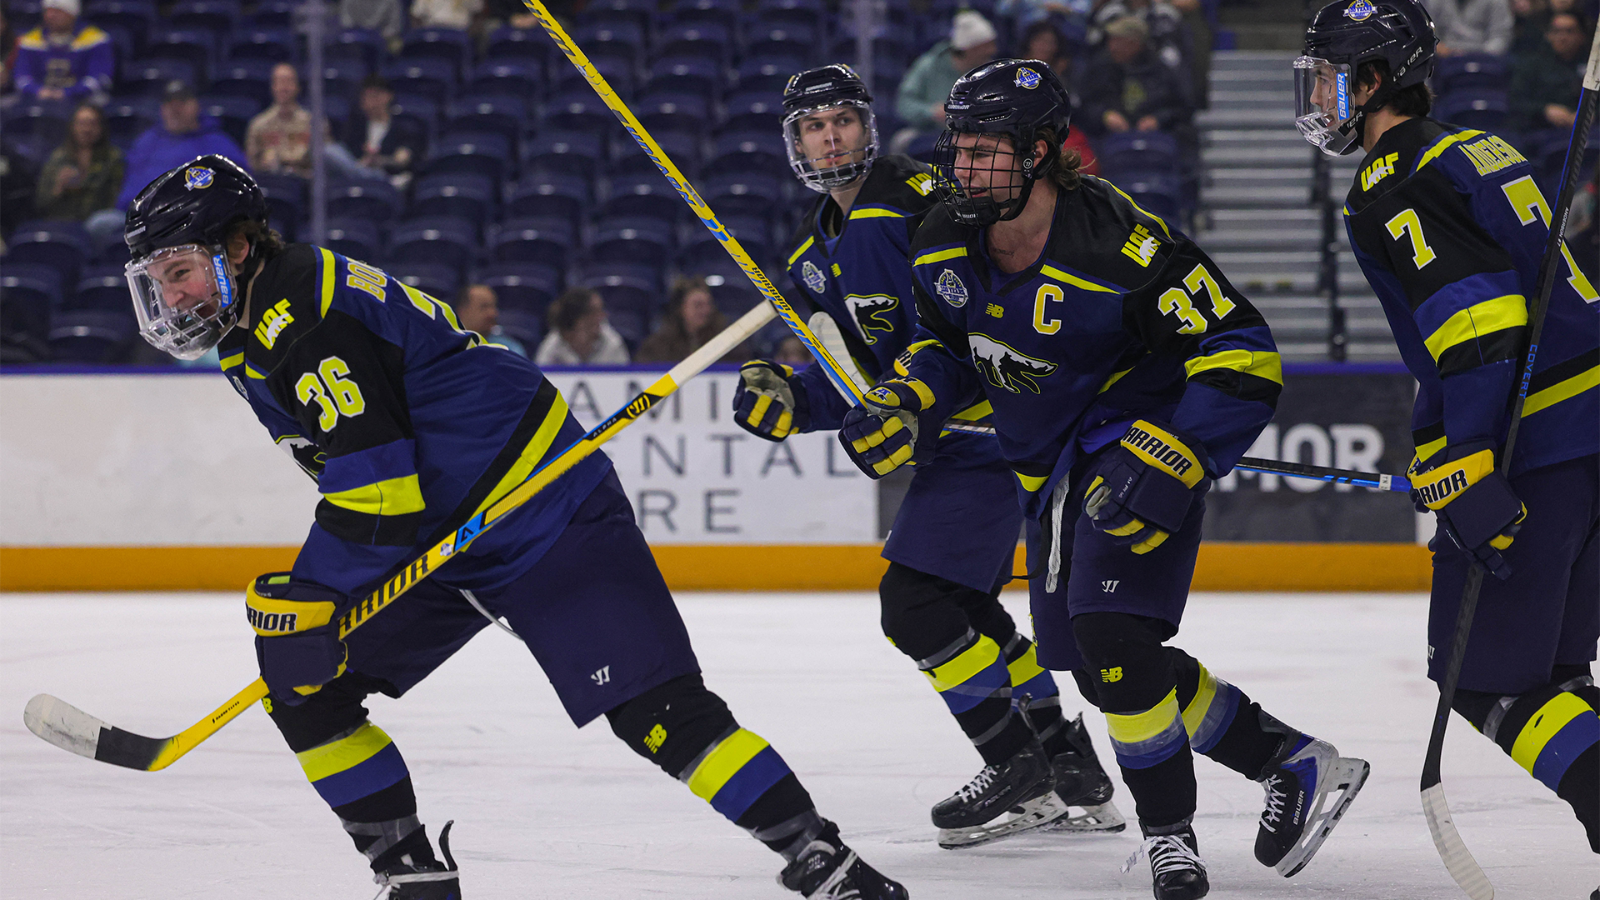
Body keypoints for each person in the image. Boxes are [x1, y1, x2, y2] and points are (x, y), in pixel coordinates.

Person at [119, 154, 908, 900]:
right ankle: (412, 876)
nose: (175, 296)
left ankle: (823, 861)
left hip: (540, 504)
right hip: (442, 533)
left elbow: (379, 486)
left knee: (657, 712)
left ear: (240, 245)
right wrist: (315, 596)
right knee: (307, 692)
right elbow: (371, 483)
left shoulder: (302, 314)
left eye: (181, 272)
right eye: (161, 280)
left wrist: (315, 587)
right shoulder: (246, 329)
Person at [842, 59, 1370, 899]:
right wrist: (905, 397)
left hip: (1134, 450)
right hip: (1049, 473)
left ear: (1042, 152)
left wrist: (1182, 448)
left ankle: (1171, 839)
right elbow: (943, 347)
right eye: (961, 149)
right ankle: (1290, 759)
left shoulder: (1124, 246)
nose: (964, 167)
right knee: (1099, 667)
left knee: (1114, 644)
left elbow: (1242, 350)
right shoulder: (942, 233)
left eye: (986, 151)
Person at [736, 63, 1125, 849]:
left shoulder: (913, 201)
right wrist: (791, 398)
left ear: (867, 125)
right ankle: (1068, 765)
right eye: (814, 126)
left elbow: (951, 331)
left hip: (992, 434)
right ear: (796, 143)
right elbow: (860, 377)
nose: (830, 136)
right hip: (956, 444)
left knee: (912, 608)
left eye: (841, 119)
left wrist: (908, 401)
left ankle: (1014, 764)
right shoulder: (817, 253)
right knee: (966, 611)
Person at [1297, 0, 1599, 858]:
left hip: (1532, 443)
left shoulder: (1393, 178)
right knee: (1556, 678)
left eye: (1328, 76)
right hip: (1588, 428)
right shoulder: (1477, 146)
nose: (1318, 96)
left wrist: (1463, 456)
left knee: (1488, 683)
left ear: (1373, 81)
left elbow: (1478, 321)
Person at [116, 81, 248, 210]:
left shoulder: (219, 143)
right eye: (169, 104)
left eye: (182, 103)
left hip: (195, 219)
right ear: (162, 109)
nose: (175, 110)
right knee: (103, 223)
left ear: (197, 105)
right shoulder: (146, 141)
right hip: (143, 218)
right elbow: (129, 190)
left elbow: (240, 188)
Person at [1080, 16, 1192, 137]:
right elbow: (1084, 104)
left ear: (1135, 43)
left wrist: (1158, 119)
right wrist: (1104, 115)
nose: (1112, 47)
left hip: (1157, 138)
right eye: (1111, 41)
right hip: (1107, 138)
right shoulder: (1100, 68)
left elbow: (1183, 107)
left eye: (1118, 41)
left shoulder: (1162, 71)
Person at [894, 11, 999, 139]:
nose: (992, 51)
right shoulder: (929, 65)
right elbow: (904, 103)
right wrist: (931, 112)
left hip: (978, 134)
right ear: (968, 48)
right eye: (985, 46)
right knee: (902, 140)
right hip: (931, 132)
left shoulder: (991, 70)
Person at [35, 102, 124, 241]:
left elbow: (118, 199)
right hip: (60, 225)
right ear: (72, 127)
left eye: (92, 123)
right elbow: (40, 202)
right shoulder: (58, 158)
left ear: (101, 128)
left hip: (98, 228)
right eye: (82, 123)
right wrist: (58, 187)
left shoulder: (113, 159)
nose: (87, 129)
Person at [11, 0, 112, 104]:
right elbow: (21, 77)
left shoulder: (96, 40)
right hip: (40, 101)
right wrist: (38, 91)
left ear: (72, 14)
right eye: (47, 11)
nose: (50, 16)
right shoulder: (30, 41)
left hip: (83, 102)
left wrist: (68, 92)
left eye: (57, 11)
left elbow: (99, 78)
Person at [635, 276, 751, 364]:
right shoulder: (658, 345)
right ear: (681, 308)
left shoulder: (728, 342)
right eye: (698, 305)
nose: (705, 311)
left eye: (708, 305)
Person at [1509, 11, 1591, 133]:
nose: (1563, 37)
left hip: (1586, 132)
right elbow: (1516, 101)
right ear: (1548, 35)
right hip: (1540, 130)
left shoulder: (1593, 67)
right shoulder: (1532, 64)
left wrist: (1591, 114)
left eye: (1569, 31)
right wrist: (1544, 110)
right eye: (1557, 31)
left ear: (1581, 36)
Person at [339, 75, 424, 189]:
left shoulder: (404, 128)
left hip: (388, 178)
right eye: (365, 97)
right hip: (357, 178)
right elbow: (347, 155)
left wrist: (379, 161)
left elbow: (402, 160)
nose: (369, 102)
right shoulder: (355, 128)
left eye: (374, 96)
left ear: (388, 97)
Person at [534, 287, 630, 366]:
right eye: (596, 312)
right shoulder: (552, 347)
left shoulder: (612, 343)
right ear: (580, 320)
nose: (603, 316)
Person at [452, 283, 527, 357]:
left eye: (494, 307)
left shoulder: (509, 348)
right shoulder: (447, 345)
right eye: (484, 307)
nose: (493, 313)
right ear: (463, 311)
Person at [1429, 0, 1514, 56]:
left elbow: (1501, 37)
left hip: (1483, 58)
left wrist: (1477, 55)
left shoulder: (1496, 2)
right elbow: (1427, 32)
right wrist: (1436, 46)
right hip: (1445, 58)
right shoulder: (1436, 2)